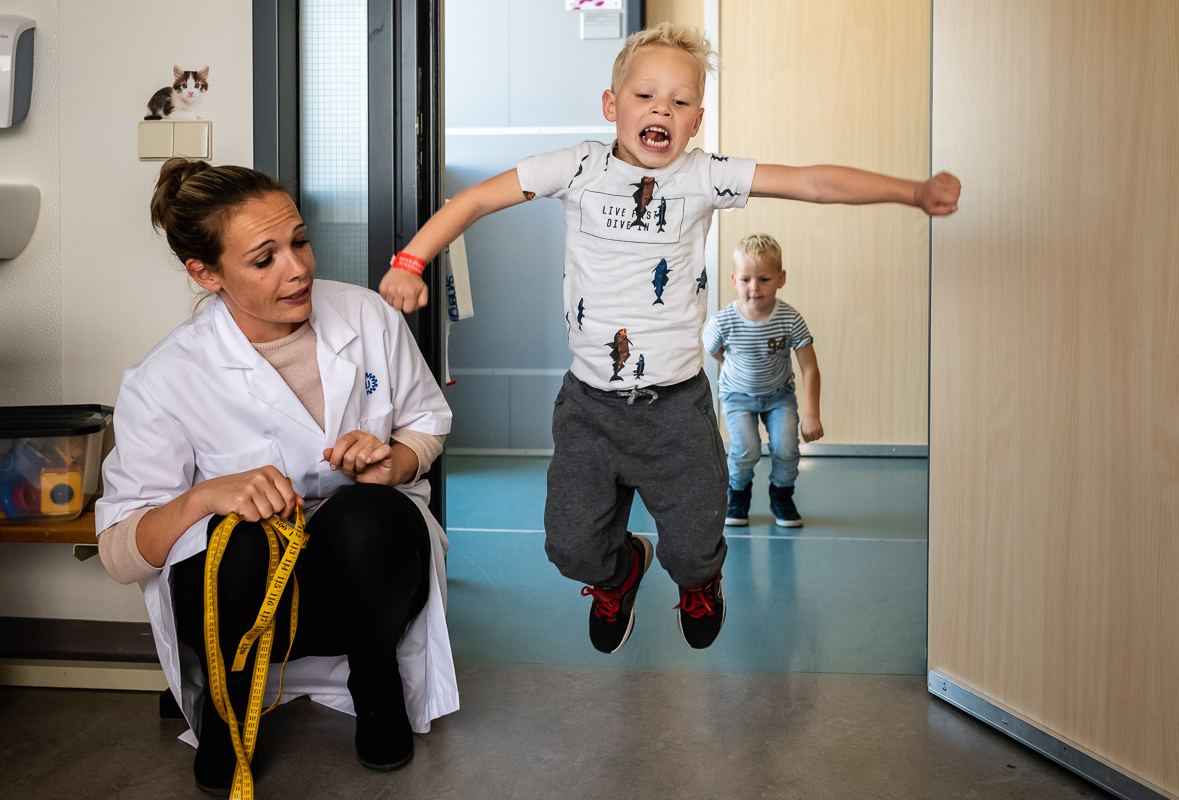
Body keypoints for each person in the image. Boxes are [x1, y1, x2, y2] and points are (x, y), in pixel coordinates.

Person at [378, 23, 960, 655]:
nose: (662, 109)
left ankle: (698, 581)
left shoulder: (704, 177)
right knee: (569, 546)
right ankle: (623, 570)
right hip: (590, 407)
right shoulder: (576, 166)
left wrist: (912, 193)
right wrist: (411, 261)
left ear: (696, 122)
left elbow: (810, 182)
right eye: (645, 96)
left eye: (680, 102)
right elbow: (474, 202)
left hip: (675, 409)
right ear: (611, 106)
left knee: (693, 547)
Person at [95, 158, 457, 795]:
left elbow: (428, 419)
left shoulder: (368, 316)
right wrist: (207, 495)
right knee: (232, 532)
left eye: (300, 241)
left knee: (374, 513)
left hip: (360, 580)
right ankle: (226, 714)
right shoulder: (165, 378)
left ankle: (376, 683)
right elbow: (122, 555)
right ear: (205, 274)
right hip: (244, 600)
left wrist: (393, 461)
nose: (298, 269)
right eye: (264, 260)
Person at [704, 233, 821, 528]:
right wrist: (732, 366)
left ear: (781, 278)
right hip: (737, 396)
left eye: (764, 279)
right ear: (734, 280)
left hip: (779, 396)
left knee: (786, 448)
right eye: (746, 280)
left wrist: (811, 415)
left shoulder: (790, 319)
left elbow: (809, 367)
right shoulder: (723, 321)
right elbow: (713, 350)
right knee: (746, 449)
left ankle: (781, 495)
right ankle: (737, 495)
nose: (754, 288)